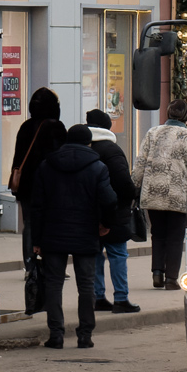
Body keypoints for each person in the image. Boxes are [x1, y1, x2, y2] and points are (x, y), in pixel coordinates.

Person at [27, 124, 117, 349]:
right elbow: (109, 200)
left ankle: (56, 334)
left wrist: (36, 240)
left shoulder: (47, 165)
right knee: (86, 285)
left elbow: (36, 207)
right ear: (89, 143)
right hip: (86, 233)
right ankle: (85, 335)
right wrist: (105, 225)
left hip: (53, 233)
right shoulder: (98, 168)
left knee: (54, 284)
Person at [86, 110, 140, 314]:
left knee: (96, 255)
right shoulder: (112, 150)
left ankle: (98, 297)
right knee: (117, 253)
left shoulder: (85, 147)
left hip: (89, 212)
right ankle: (121, 298)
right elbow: (124, 182)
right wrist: (131, 196)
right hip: (114, 210)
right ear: (107, 127)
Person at [133, 100, 187, 291]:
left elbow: (140, 162)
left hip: (152, 192)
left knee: (157, 234)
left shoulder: (152, 132)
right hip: (177, 193)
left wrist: (134, 187)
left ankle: (157, 273)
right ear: (186, 116)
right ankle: (171, 279)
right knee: (175, 236)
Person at [9, 88, 67, 262]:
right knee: (53, 221)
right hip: (50, 185)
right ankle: (52, 261)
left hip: (26, 185)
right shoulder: (56, 127)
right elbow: (59, 158)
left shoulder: (25, 126)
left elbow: (18, 156)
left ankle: (30, 263)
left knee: (30, 224)